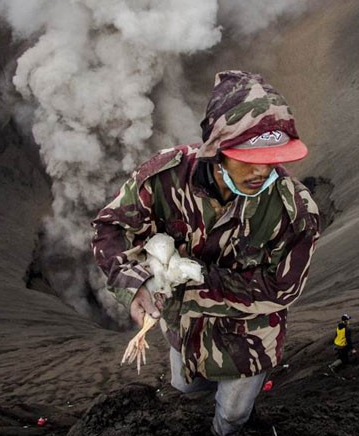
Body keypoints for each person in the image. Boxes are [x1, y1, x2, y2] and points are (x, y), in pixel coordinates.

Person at [91, 70, 321, 436]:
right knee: (186, 388)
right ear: (217, 147)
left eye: (272, 157)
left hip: (249, 340)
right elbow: (111, 227)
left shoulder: (294, 211)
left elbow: (282, 288)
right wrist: (133, 285)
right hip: (186, 331)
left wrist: (199, 278)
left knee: (231, 416)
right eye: (248, 156)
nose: (262, 169)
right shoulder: (165, 178)